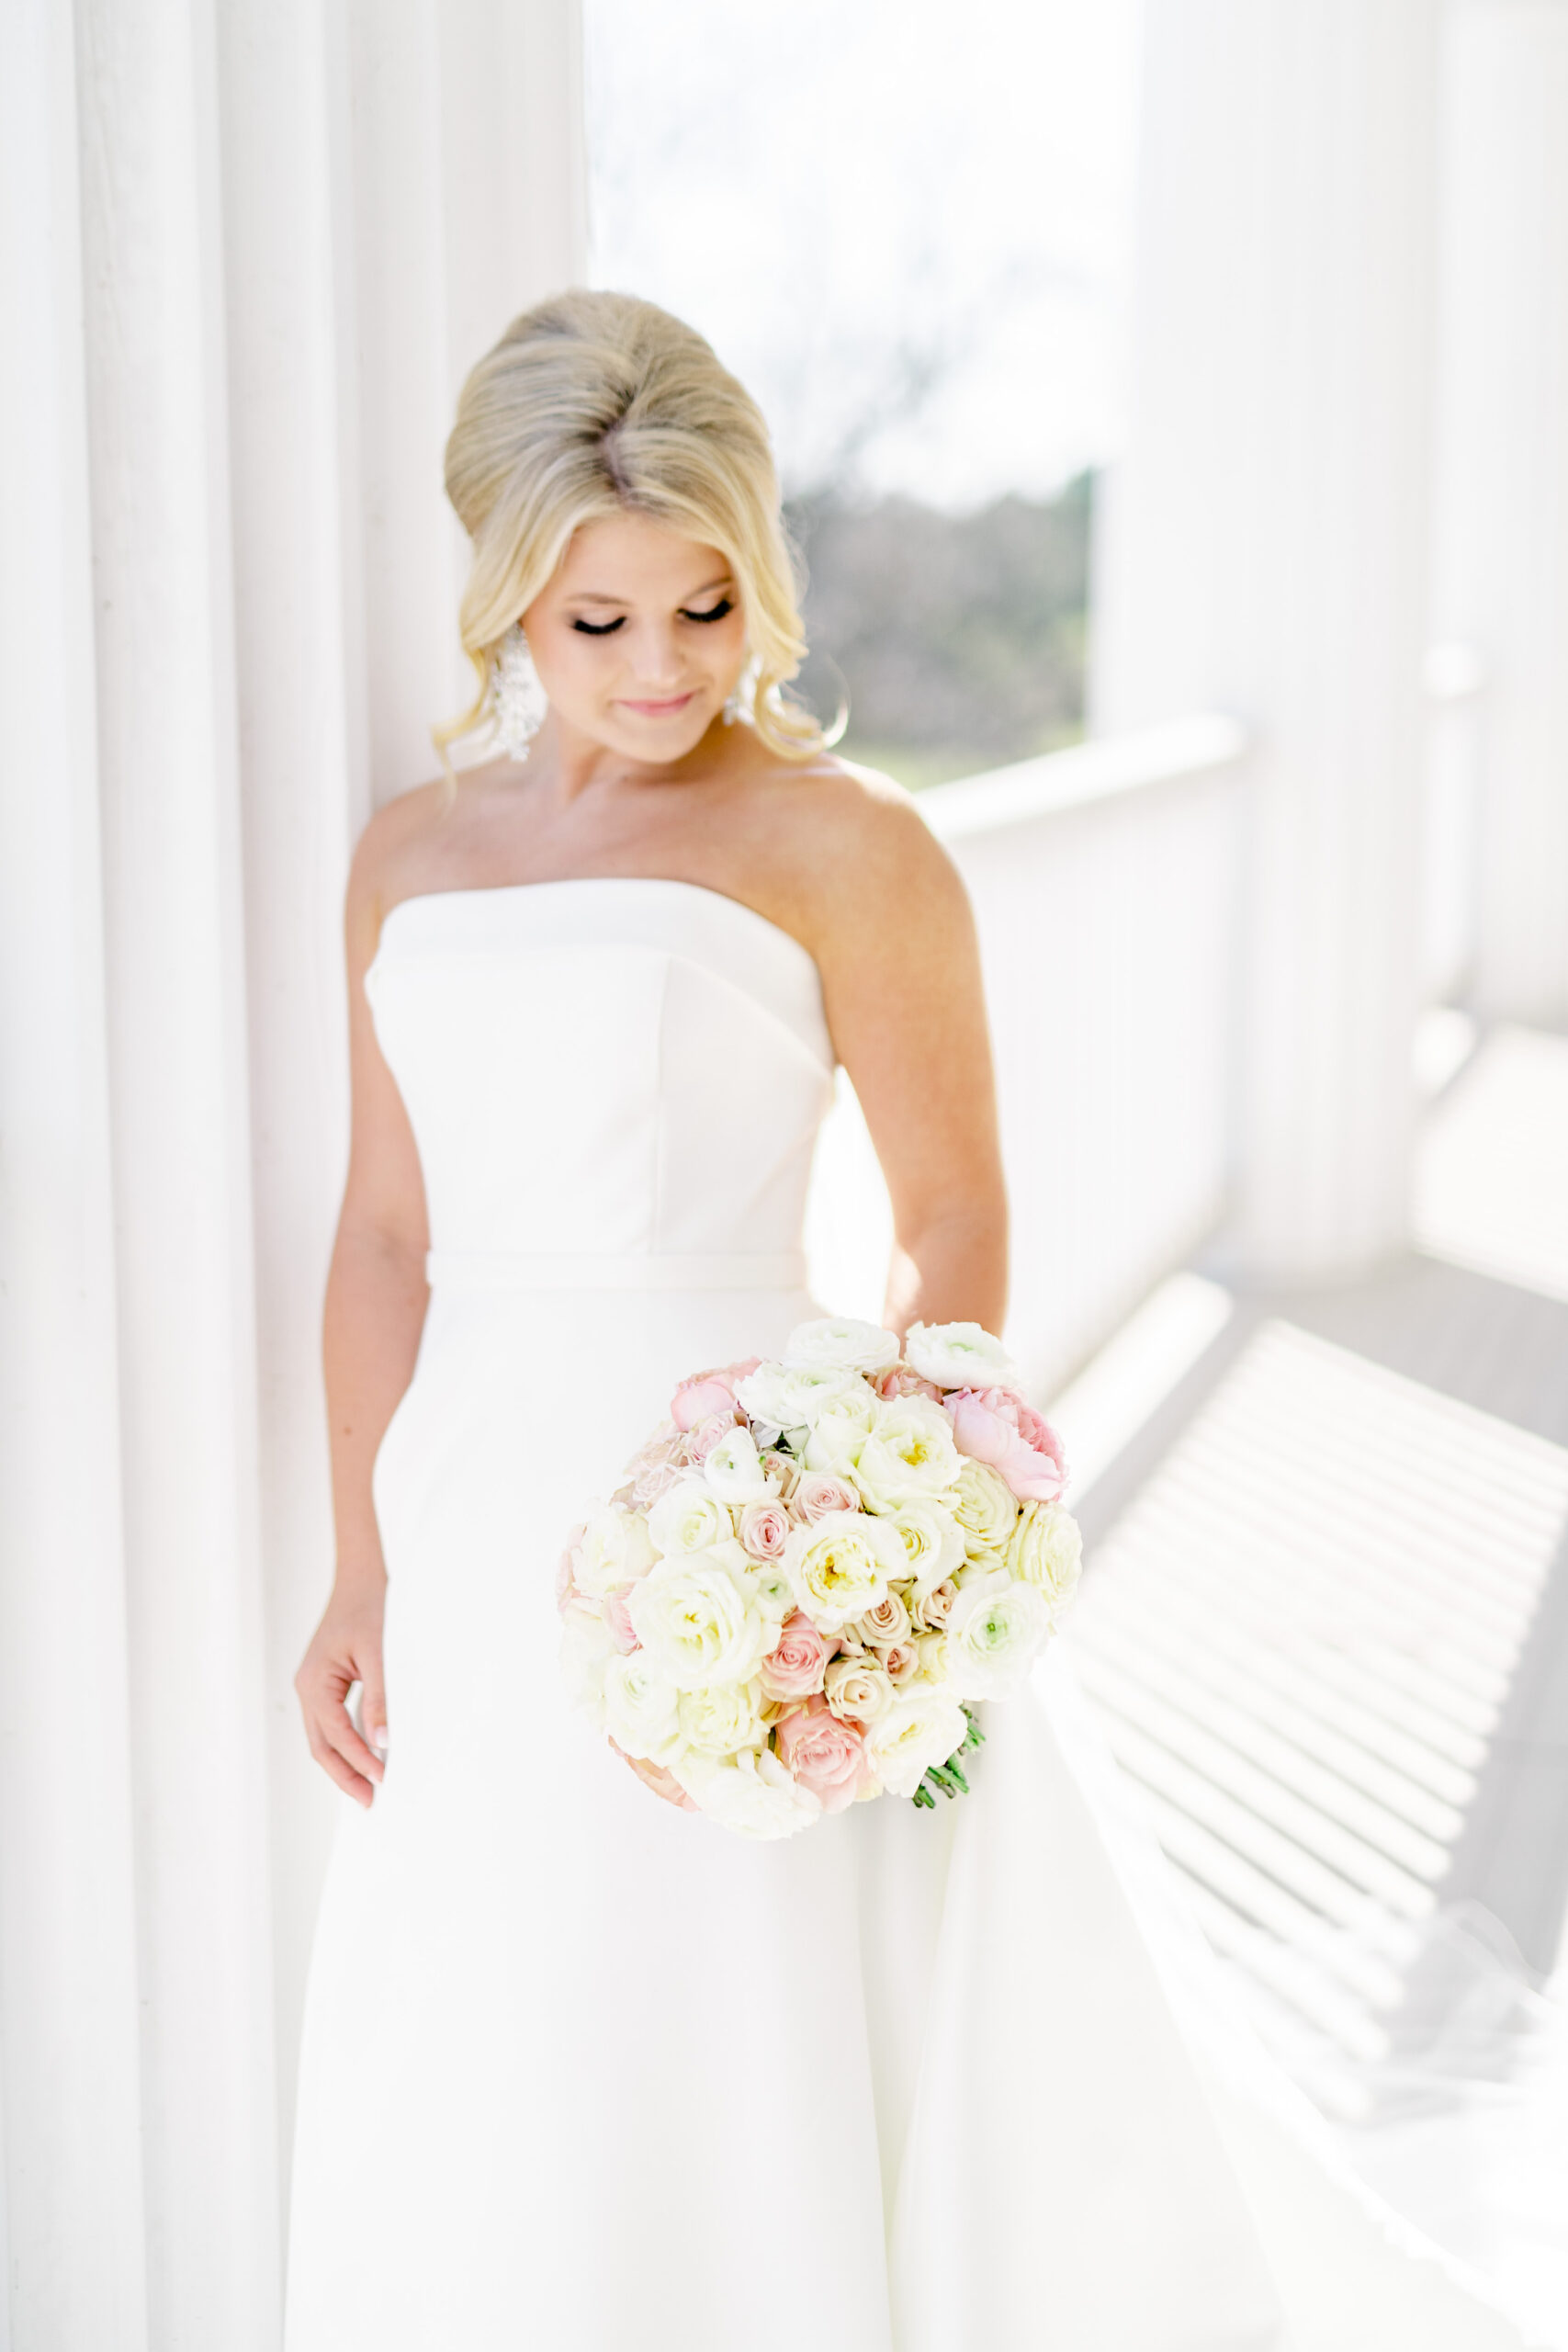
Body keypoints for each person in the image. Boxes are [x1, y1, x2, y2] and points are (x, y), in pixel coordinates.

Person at [285, 291, 1525, 2351]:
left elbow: (951, 1211)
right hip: (473, 1511)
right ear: (504, 593)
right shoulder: (405, 856)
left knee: (726, 1995)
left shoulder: (844, 846)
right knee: (492, 1990)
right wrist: (356, 1558)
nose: (665, 666)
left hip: (738, 1517)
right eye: (598, 622)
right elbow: (385, 1229)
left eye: (703, 603)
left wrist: (857, 1541)